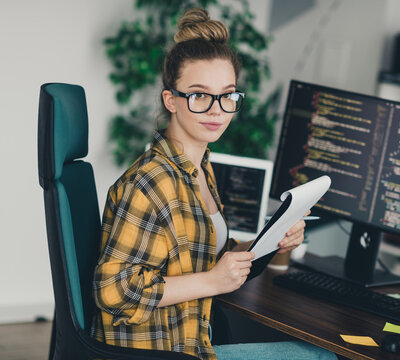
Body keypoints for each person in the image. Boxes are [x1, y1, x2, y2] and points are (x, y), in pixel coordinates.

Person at [91, 7, 337, 360]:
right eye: (199, 95)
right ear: (171, 100)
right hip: (160, 352)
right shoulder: (151, 182)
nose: (217, 110)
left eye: (228, 95)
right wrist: (211, 282)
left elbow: (206, 255)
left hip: (191, 342)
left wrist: (273, 242)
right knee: (321, 357)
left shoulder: (199, 167)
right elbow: (113, 291)